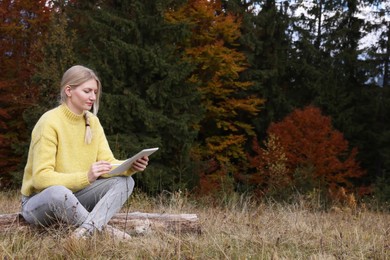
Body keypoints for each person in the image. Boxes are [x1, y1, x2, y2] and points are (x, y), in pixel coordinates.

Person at [20, 65, 149, 240]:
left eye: (95, 92)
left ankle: (84, 233)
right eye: (87, 91)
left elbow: (107, 163)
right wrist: (86, 177)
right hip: (40, 202)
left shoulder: (93, 122)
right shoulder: (49, 122)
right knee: (59, 192)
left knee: (126, 182)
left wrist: (130, 166)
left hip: (77, 197)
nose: (93, 97)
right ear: (69, 91)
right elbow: (41, 178)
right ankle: (105, 234)